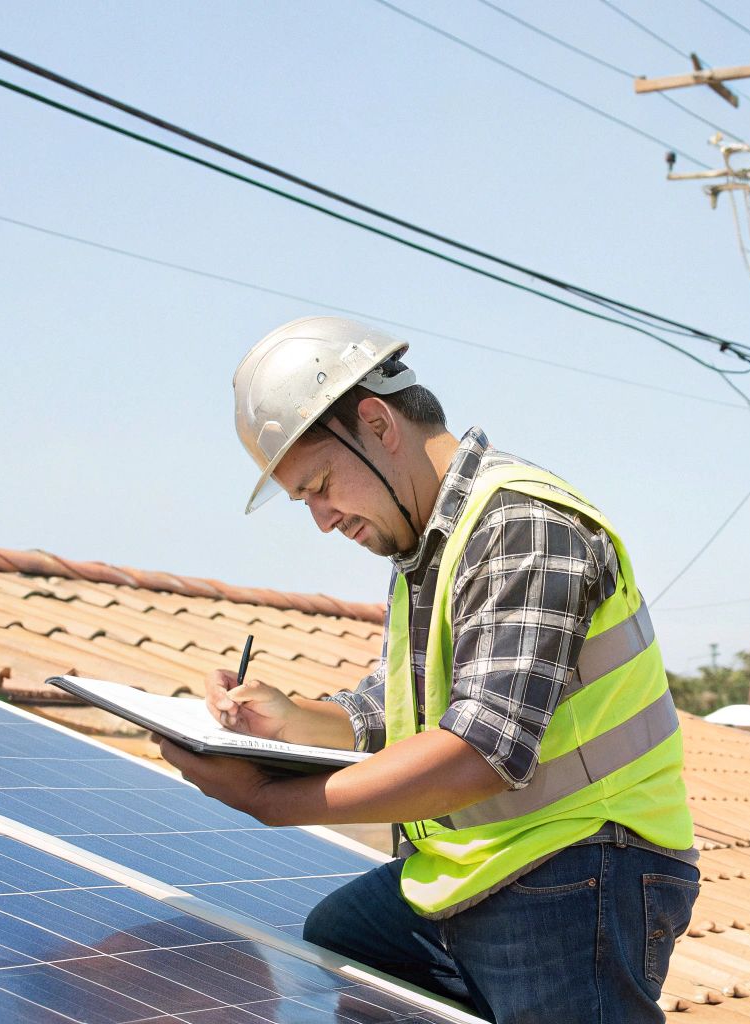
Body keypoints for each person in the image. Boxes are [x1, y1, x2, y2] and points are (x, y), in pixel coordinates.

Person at [158, 315, 698, 1024]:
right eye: (304, 500)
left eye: (321, 484)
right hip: (483, 863)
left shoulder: (521, 525)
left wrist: (271, 801)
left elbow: (480, 749)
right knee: (344, 937)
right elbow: (405, 709)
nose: (322, 519)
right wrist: (293, 720)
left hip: (579, 864)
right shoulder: (426, 543)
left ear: (379, 424)